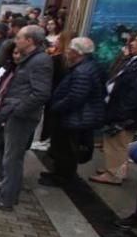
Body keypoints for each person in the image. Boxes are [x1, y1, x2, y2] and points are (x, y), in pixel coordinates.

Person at [0, 26, 53, 211]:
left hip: (21, 117)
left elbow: (41, 93)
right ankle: (5, 189)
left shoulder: (40, 61)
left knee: (13, 158)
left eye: (19, 37)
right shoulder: (29, 59)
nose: (16, 40)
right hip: (13, 113)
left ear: (30, 40)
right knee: (8, 156)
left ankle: (6, 198)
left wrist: (17, 110)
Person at [91, 31, 137, 186]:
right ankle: (111, 168)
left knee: (118, 143)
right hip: (120, 108)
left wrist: (123, 112)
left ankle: (114, 174)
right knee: (113, 142)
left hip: (127, 113)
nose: (132, 43)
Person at [44, 37, 105, 187]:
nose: (66, 52)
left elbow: (75, 97)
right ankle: (58, 173)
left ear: (77, 53)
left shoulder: (83, 72)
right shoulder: (87, 67)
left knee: (66, 150)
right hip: (75, 117)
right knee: (64, 149)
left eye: (69, 50)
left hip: (75, 118)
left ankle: (62, 177)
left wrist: (57, 106)